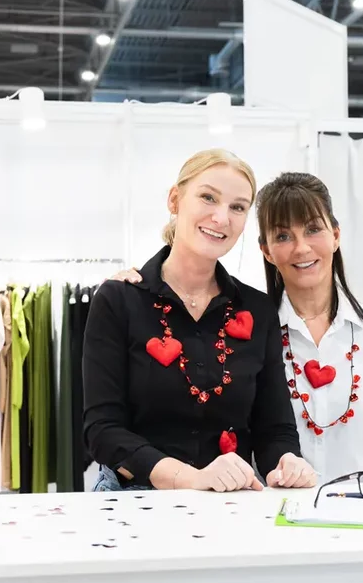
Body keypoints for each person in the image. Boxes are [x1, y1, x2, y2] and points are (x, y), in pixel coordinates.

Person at [83, 149, 317, 493]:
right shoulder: (119, 300)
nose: (221, 218)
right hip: (137, 501)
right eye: (208, 197)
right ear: (175, 200)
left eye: (238, 207)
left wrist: (287, 463)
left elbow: (274, 429)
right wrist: (192, 479)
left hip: (230, 501)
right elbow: (103, 431)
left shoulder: (258, 309)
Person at [254, 172, 363, 482]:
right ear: (267, 251)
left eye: (313, 229)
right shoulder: (253, 335)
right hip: (274, 509)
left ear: (336, 235)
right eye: (283, 236)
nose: (301, 248)